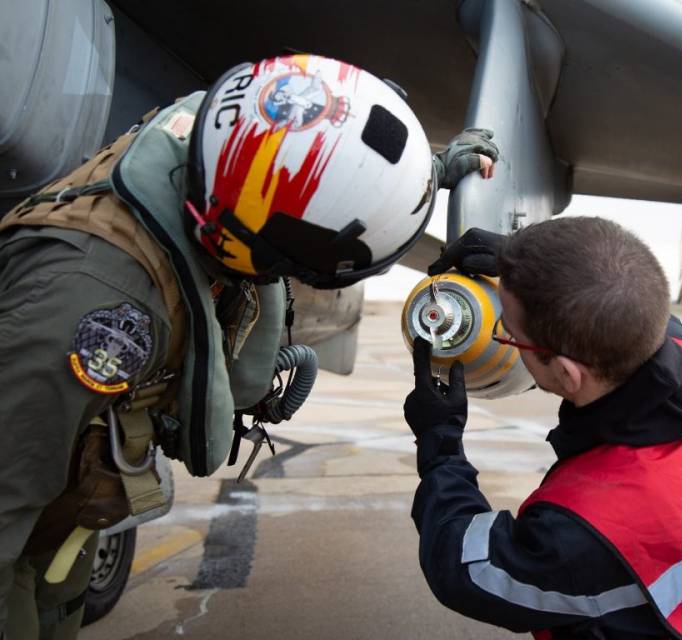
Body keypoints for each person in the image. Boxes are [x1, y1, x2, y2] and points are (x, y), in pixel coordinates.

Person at [0, 54, 498, 639]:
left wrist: (423, 173)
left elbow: (302, 156)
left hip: (65, 507)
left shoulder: (223, 146)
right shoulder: (94, 313)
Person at [404, 218, 682, 639]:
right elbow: (616, 292)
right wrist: (523, 258)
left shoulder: (585, 530)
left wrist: (439, 442)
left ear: (566, 373)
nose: (503, 336)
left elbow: (465, 567)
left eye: (509, 334)